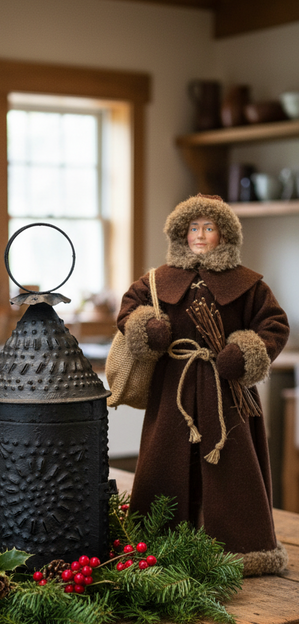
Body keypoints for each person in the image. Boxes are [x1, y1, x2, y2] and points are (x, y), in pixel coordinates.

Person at [116, 193, 289, 575]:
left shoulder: (249, 285)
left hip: (226, 391)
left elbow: (274, 324)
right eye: (193, 227)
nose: (199, 235)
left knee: (232, 465)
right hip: (173, 389)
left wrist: (244, 352)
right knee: (165, 460)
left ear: (224, 234)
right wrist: (147, 326)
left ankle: (243, 548)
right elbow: (129, 308)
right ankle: (157, 541)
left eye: (208, 227)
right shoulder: (158, 281)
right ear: (181, 233)